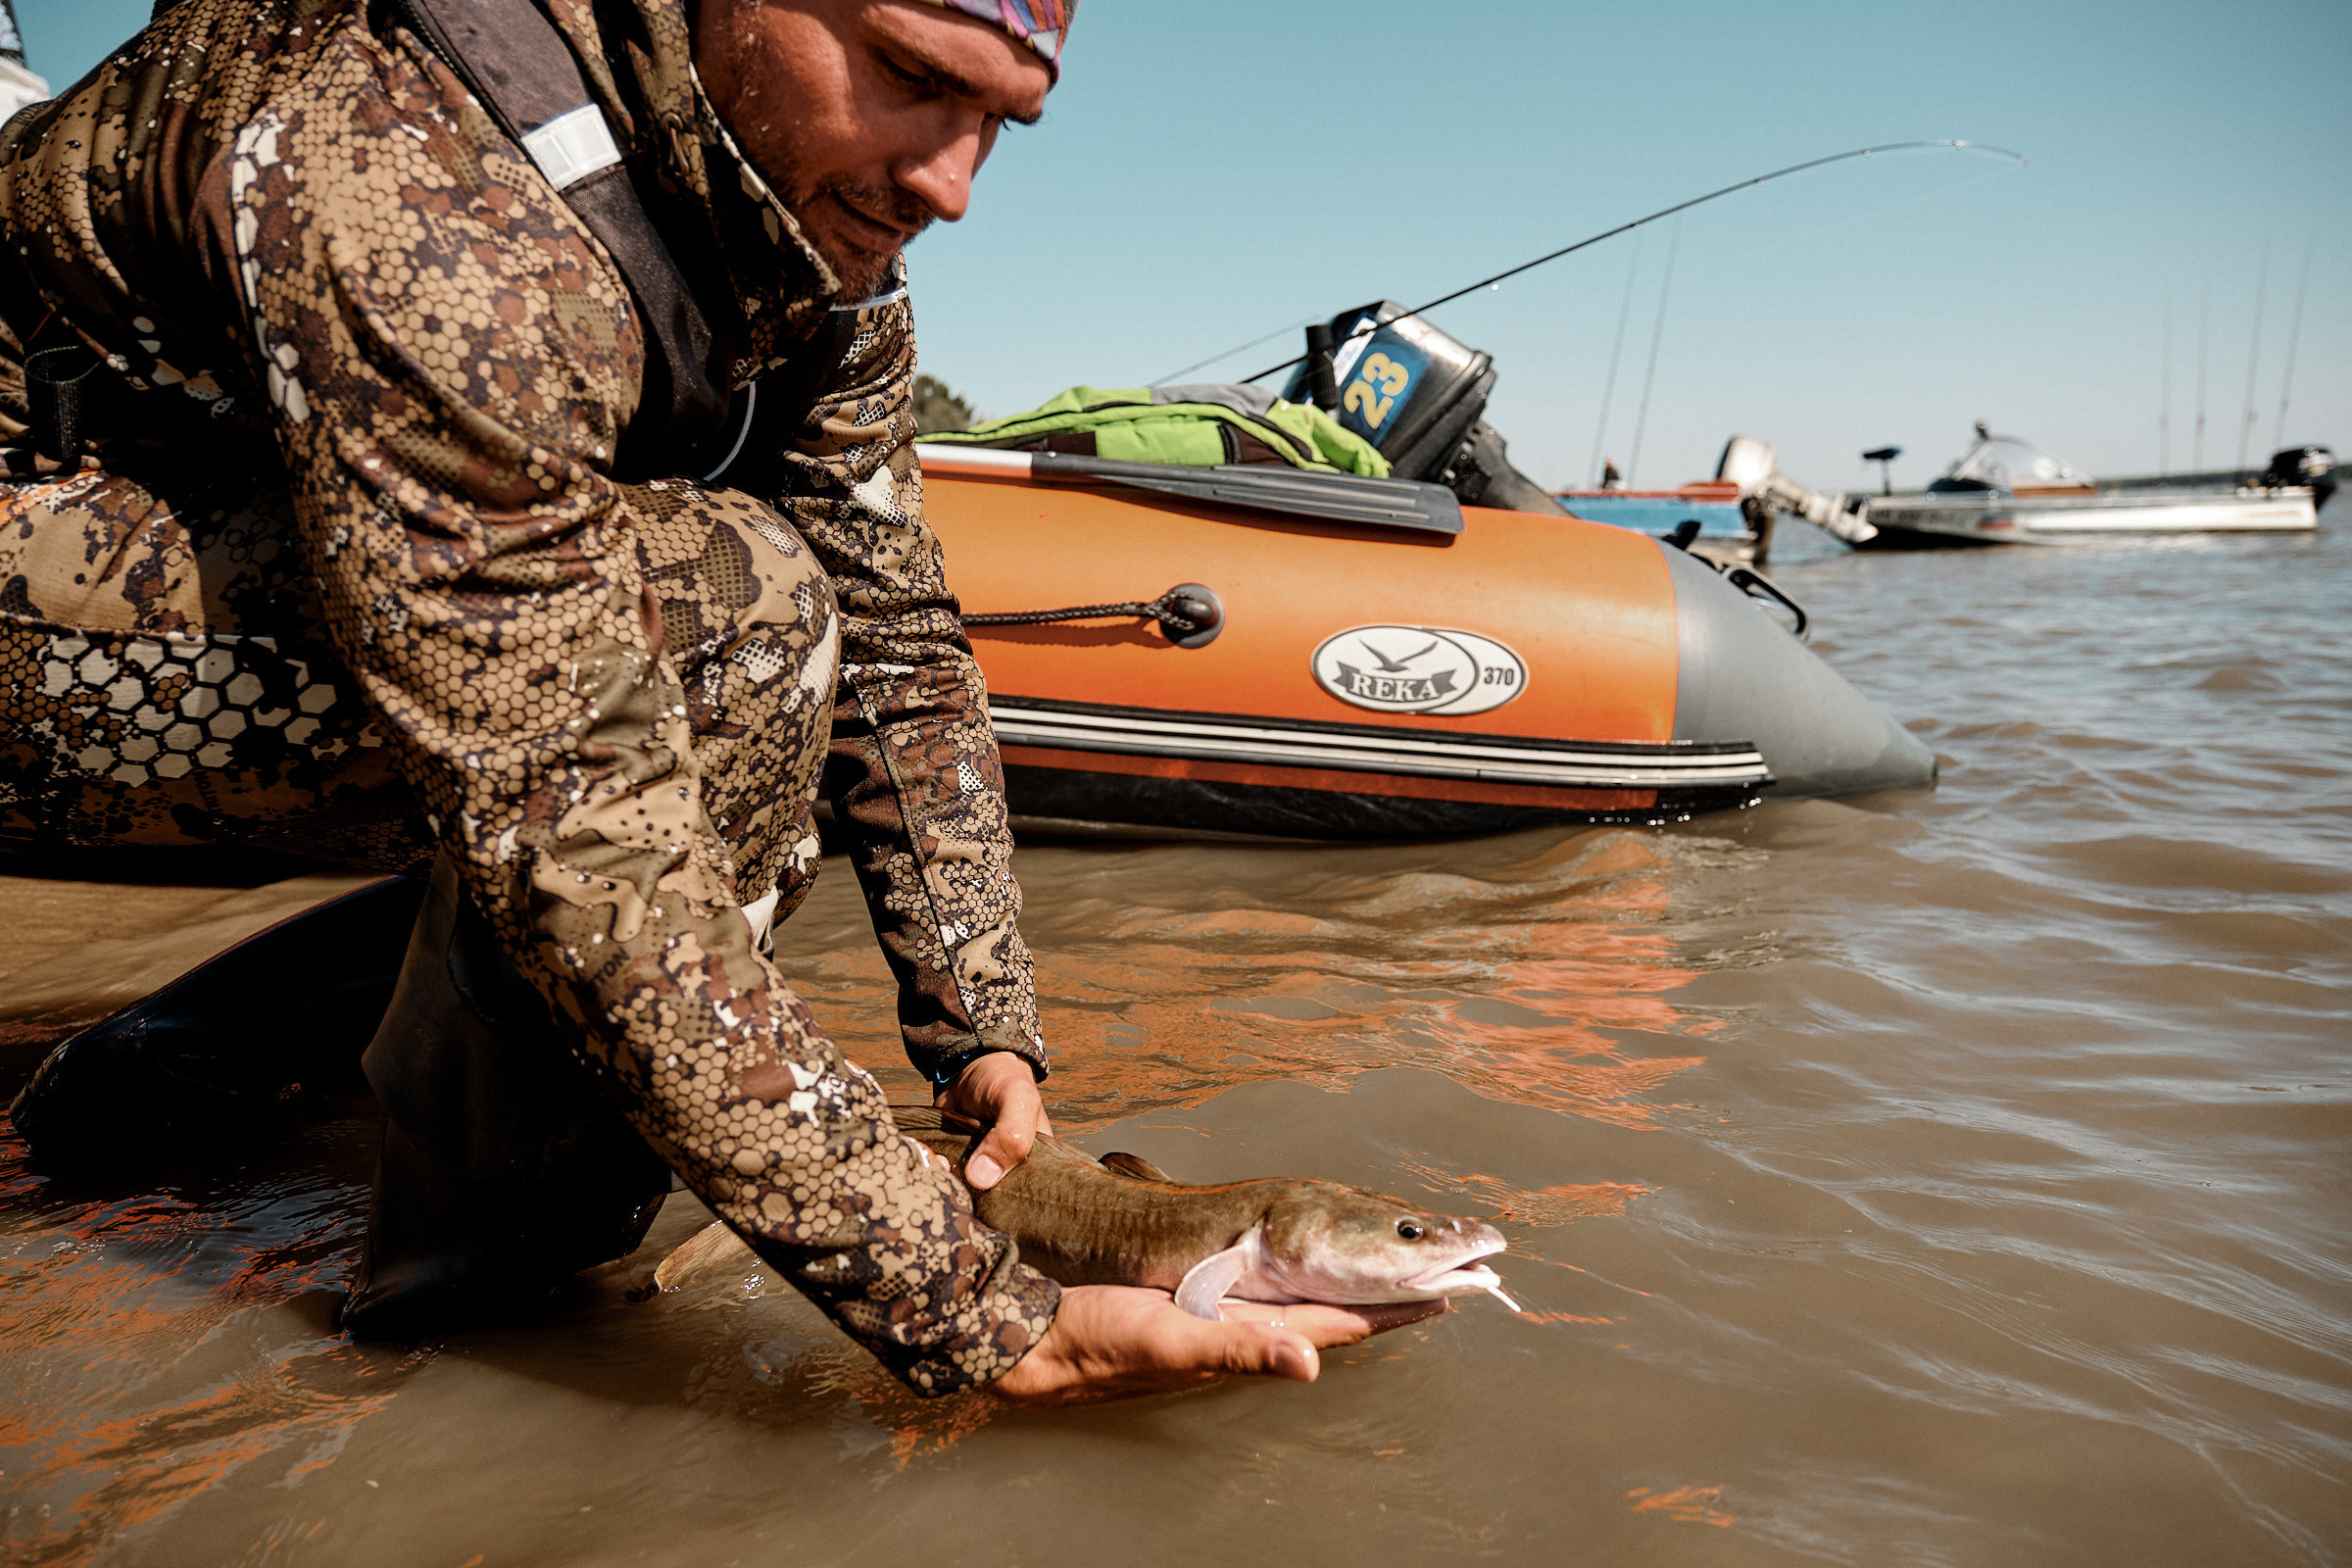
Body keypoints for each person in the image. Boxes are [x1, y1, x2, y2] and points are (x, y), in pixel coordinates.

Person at [0, 0, 1435, 1402]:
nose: (951, 183)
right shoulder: (419, 165)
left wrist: (985, 1032)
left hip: (273, 546)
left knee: (760, 614)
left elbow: (899, 634)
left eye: (996, 121)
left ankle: (156, 1078)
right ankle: (490, 1335)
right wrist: (983, 1315)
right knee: (734, 622)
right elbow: (571, 811)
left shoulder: (812, 238)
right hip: (41, 556)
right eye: (905, 75)